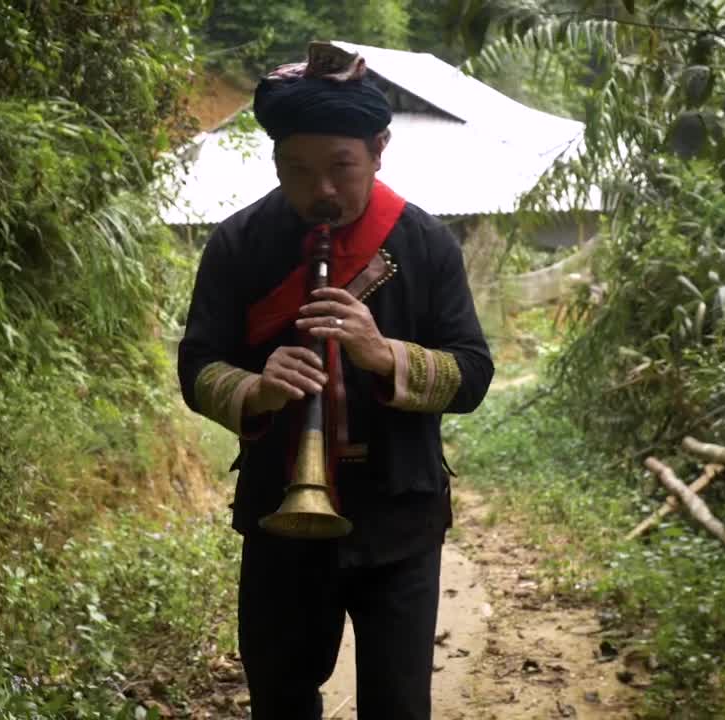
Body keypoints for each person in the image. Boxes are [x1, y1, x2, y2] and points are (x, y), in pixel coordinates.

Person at [177, 41, 494, 719]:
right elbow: (197, 366)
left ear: (379, 150)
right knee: (282, 698)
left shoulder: (425, 243)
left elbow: (473, 374)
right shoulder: (238, 244)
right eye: (297, 170)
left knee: (399, 705)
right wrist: (256, 390)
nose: (320, 190)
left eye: (341, 168)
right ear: (275, 162)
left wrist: (385, 356)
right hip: (278, 518)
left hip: (400, 512)